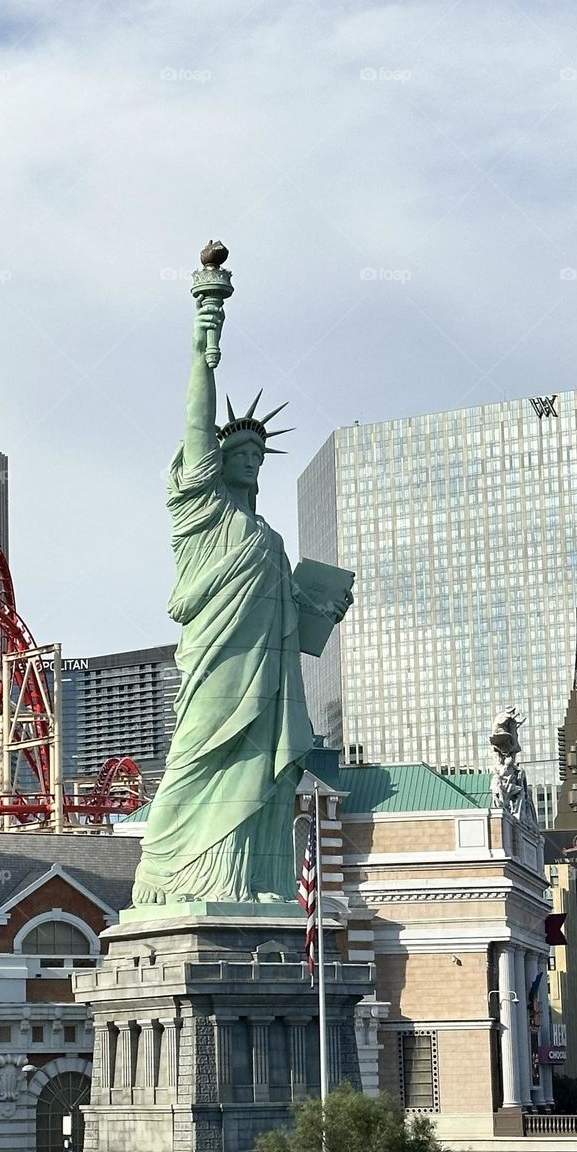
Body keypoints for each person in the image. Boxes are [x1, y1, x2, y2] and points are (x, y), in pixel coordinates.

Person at [130, 297, 350, 905]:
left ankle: (250, 879)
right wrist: (206, 340)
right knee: (199, 760)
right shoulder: (201, 511)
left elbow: (295, 621)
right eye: (239, 453)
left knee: (261, 776)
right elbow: (196, 427)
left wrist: (322, 611)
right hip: (218, 666)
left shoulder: (271, 540)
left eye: (258, 455)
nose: (251, 461)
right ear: (216, 463)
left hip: (271, 677)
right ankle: (173, 877)